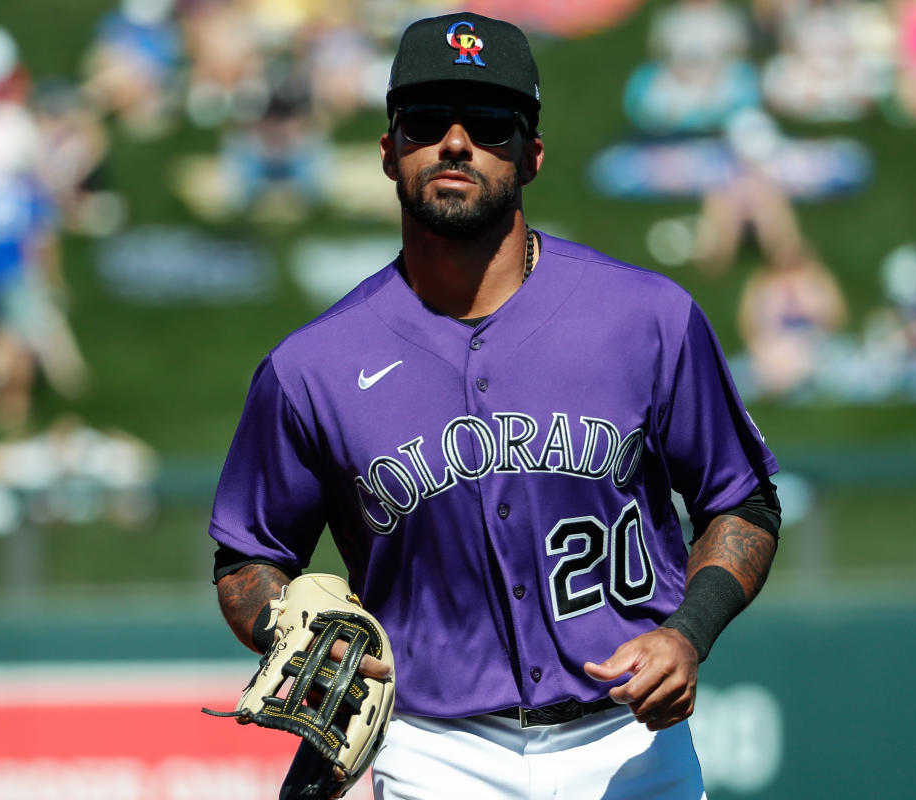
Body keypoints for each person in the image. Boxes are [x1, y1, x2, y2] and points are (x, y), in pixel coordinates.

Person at [208, 12, 781, 799]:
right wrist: (288, 629)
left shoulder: (647, 317)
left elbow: (742, 500)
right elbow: (247, 555)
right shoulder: (312, 368)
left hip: (629, 747)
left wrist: (690, 631)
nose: (454, 142)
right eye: (422, 121)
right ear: (387, 150)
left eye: (487, 123)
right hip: (433, 754)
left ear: (532, 154)